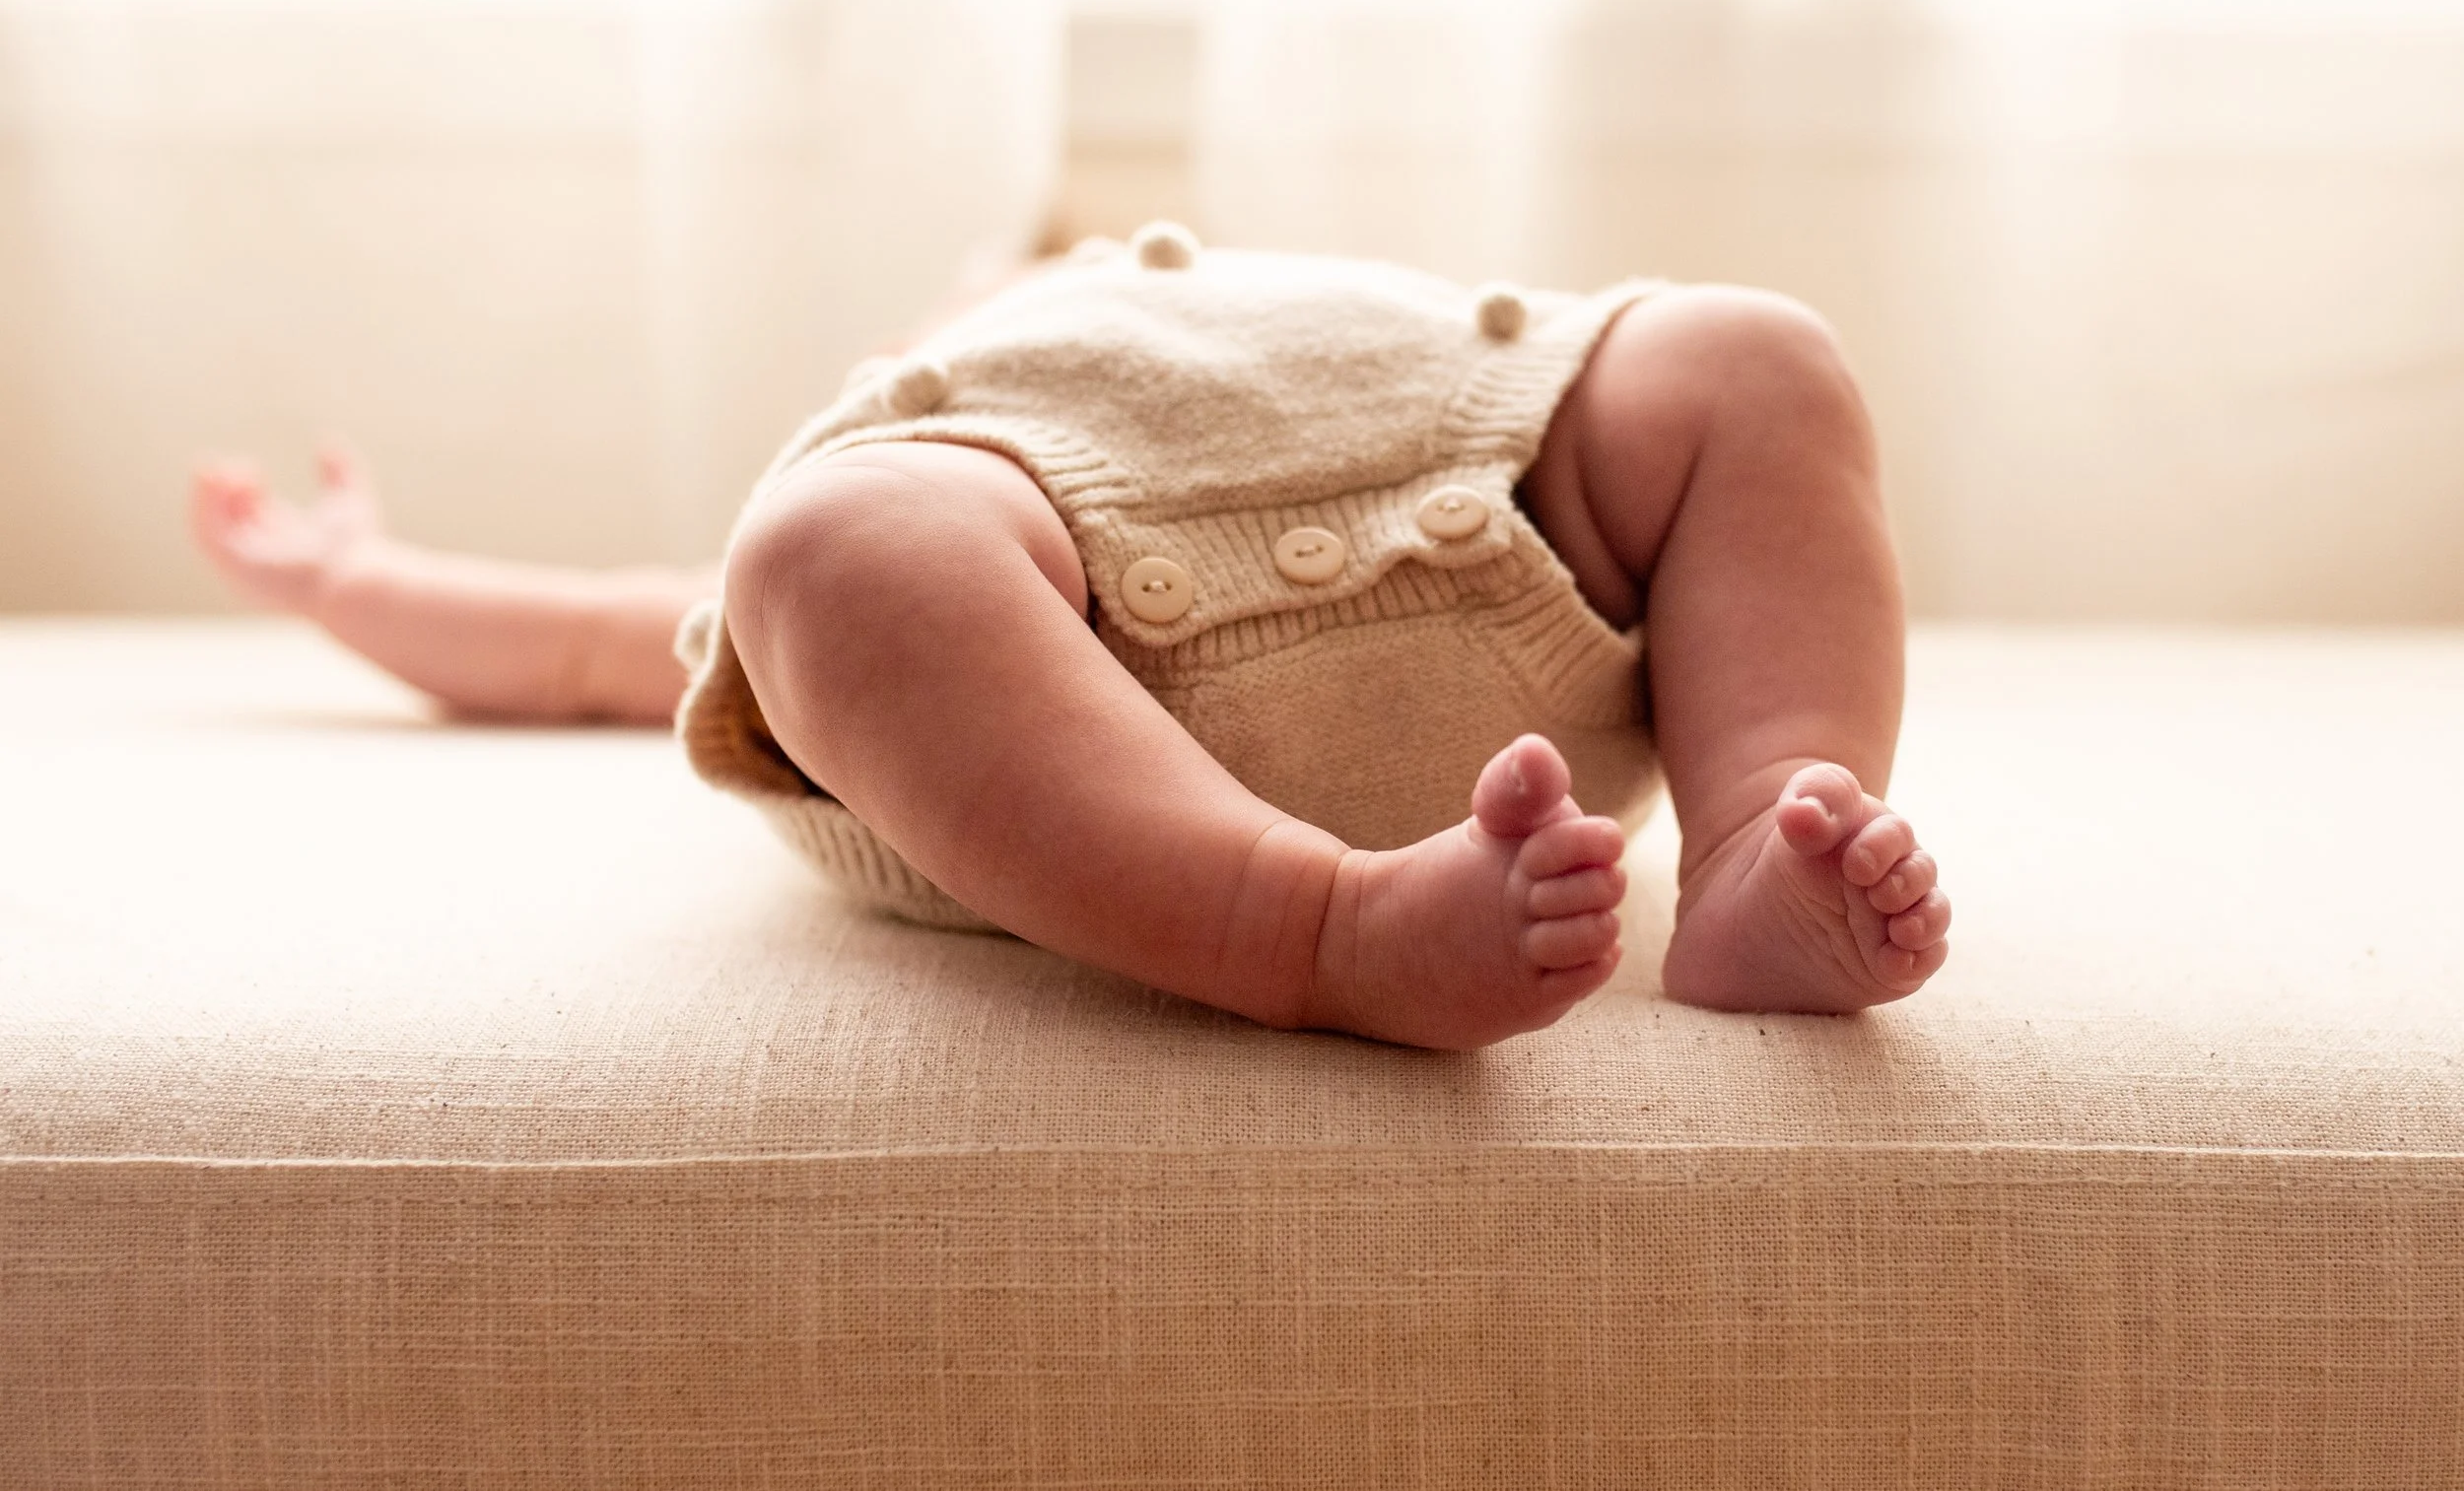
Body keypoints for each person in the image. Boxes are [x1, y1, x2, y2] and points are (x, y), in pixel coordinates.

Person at [192, 228, 1949, 1050]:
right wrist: (365, 580)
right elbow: (584, 646)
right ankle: (1320, 927)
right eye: (998, 266)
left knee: (1746, 352)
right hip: (1066, 696)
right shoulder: (948, 432)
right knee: (815, 544)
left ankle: (1762, 836)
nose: (1049, 262)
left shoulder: (1268, 319)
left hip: (1494, 536)